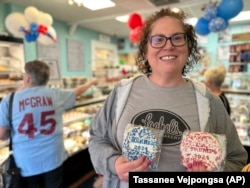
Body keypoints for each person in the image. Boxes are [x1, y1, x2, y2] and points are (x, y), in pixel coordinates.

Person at [88, 7, 248, 188]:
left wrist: (213, 176)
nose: (168, 45)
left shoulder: (209, 100)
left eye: (177, 38)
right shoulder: (121, 92)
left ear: (189, 48)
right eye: (158, 39)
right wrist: (114, 163)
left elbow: (237, 158)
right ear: (145, 50)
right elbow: (97, 139)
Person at [0, 60, 98, 188]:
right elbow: (76, 92)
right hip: (53, 156)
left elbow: (2, 134)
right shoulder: (55, 94)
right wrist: (91, 83)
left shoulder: (10, 100)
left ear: (27, 78)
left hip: (26, 161)